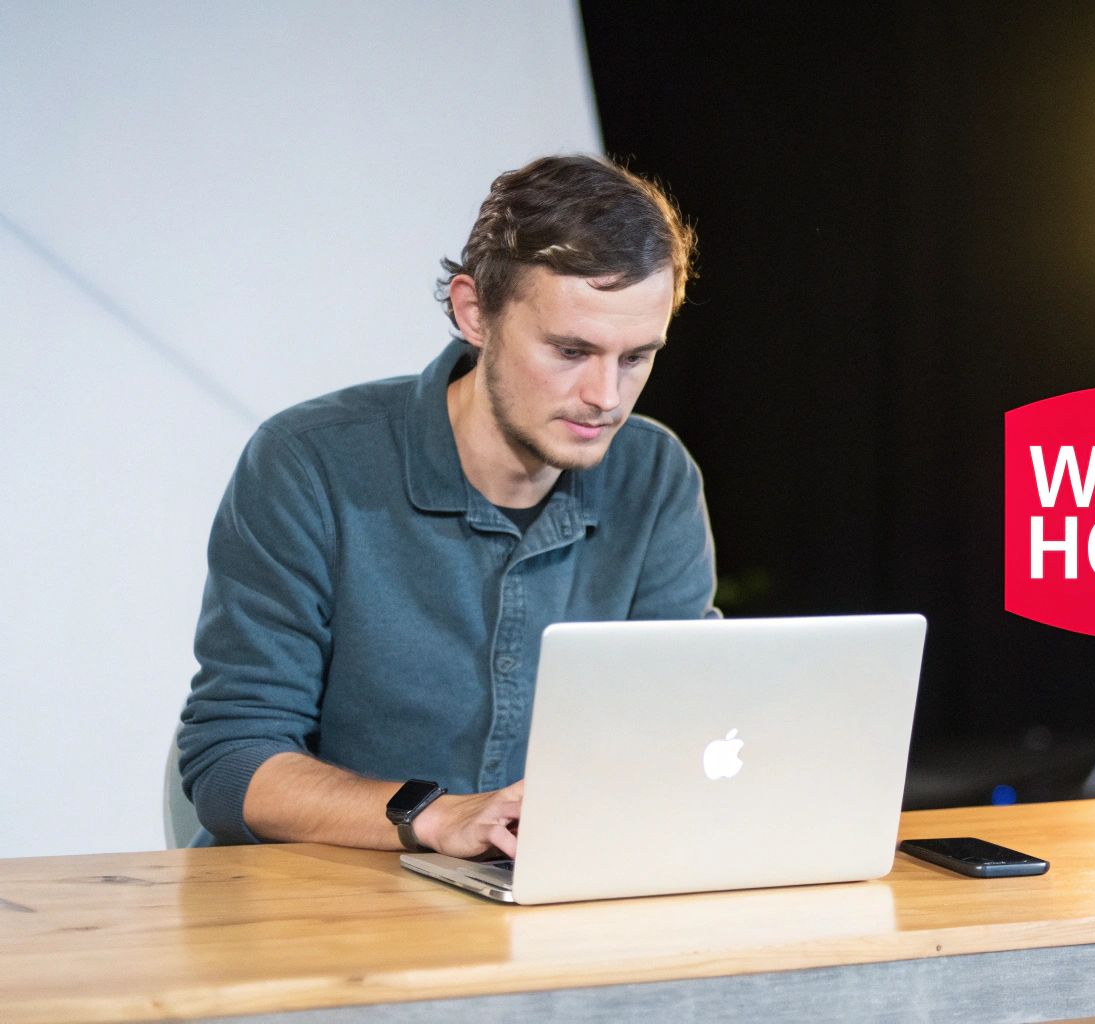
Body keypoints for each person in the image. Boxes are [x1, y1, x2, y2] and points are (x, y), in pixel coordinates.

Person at [177, 155, 716, 857]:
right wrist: (434, 816)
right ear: (474, 312)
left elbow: (687, 725)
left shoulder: (655, 474)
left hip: (546, 902)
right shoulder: (309, 462)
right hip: (331, 906)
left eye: (636, 358)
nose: (605, 396)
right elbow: (230, 761)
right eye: (571, 350)